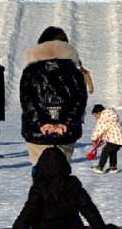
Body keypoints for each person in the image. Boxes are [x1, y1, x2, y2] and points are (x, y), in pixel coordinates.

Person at [19, 26, 88, 166]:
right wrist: (66, 123)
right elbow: (80, 100)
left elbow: (27, 101)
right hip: (65, 133)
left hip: (38, 132)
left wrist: (41, 123)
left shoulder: (30, 70)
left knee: (39, 171)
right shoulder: (74, 70)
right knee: (62, 172)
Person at [12, 146, 106, 229]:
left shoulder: (39, 187)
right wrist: (99, 226)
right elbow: (87, 207)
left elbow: (30, 210)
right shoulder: (73, 184)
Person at [89, 104, 122, 174]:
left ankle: (100, 167)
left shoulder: (103, 118)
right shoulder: (110, 115)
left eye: (95, 115)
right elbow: (108, 131)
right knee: (112, 151)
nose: (95, 118)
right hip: (120, 138)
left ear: (99, 113)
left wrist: (93, 139)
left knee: (105, 150)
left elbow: (98, 129)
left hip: (115, 138)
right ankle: (113, 167)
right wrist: (102, 141)